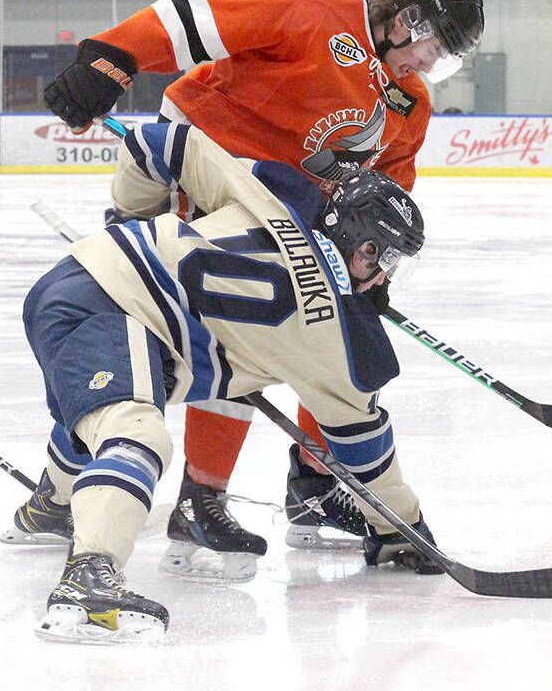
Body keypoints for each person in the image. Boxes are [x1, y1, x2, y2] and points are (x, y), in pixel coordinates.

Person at [16, 0, 483, 580]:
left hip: (283, 206)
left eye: (446, 60)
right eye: (434, 48)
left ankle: (315, 484)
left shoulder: (409, 102)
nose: (431, 65)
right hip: (203, 161)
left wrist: (374, 269)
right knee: (242, 327)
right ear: (407, 18)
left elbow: (386, 188)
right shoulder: (316, 4)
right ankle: (198, 498)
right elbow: (196, 19)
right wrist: (113, 56)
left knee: (333, 330)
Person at [22, 122, 435, 643]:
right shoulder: (339, 342)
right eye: (388, 261)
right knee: (136, 434)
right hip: (112, 307)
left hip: (90, 284)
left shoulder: (277, 197)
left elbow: (159, 142)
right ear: (366, 248)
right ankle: (87, 577)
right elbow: (365, 448)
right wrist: (401, 525)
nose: (386, 279)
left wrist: (130, 218)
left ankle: (51, 504)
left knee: (109, 408)